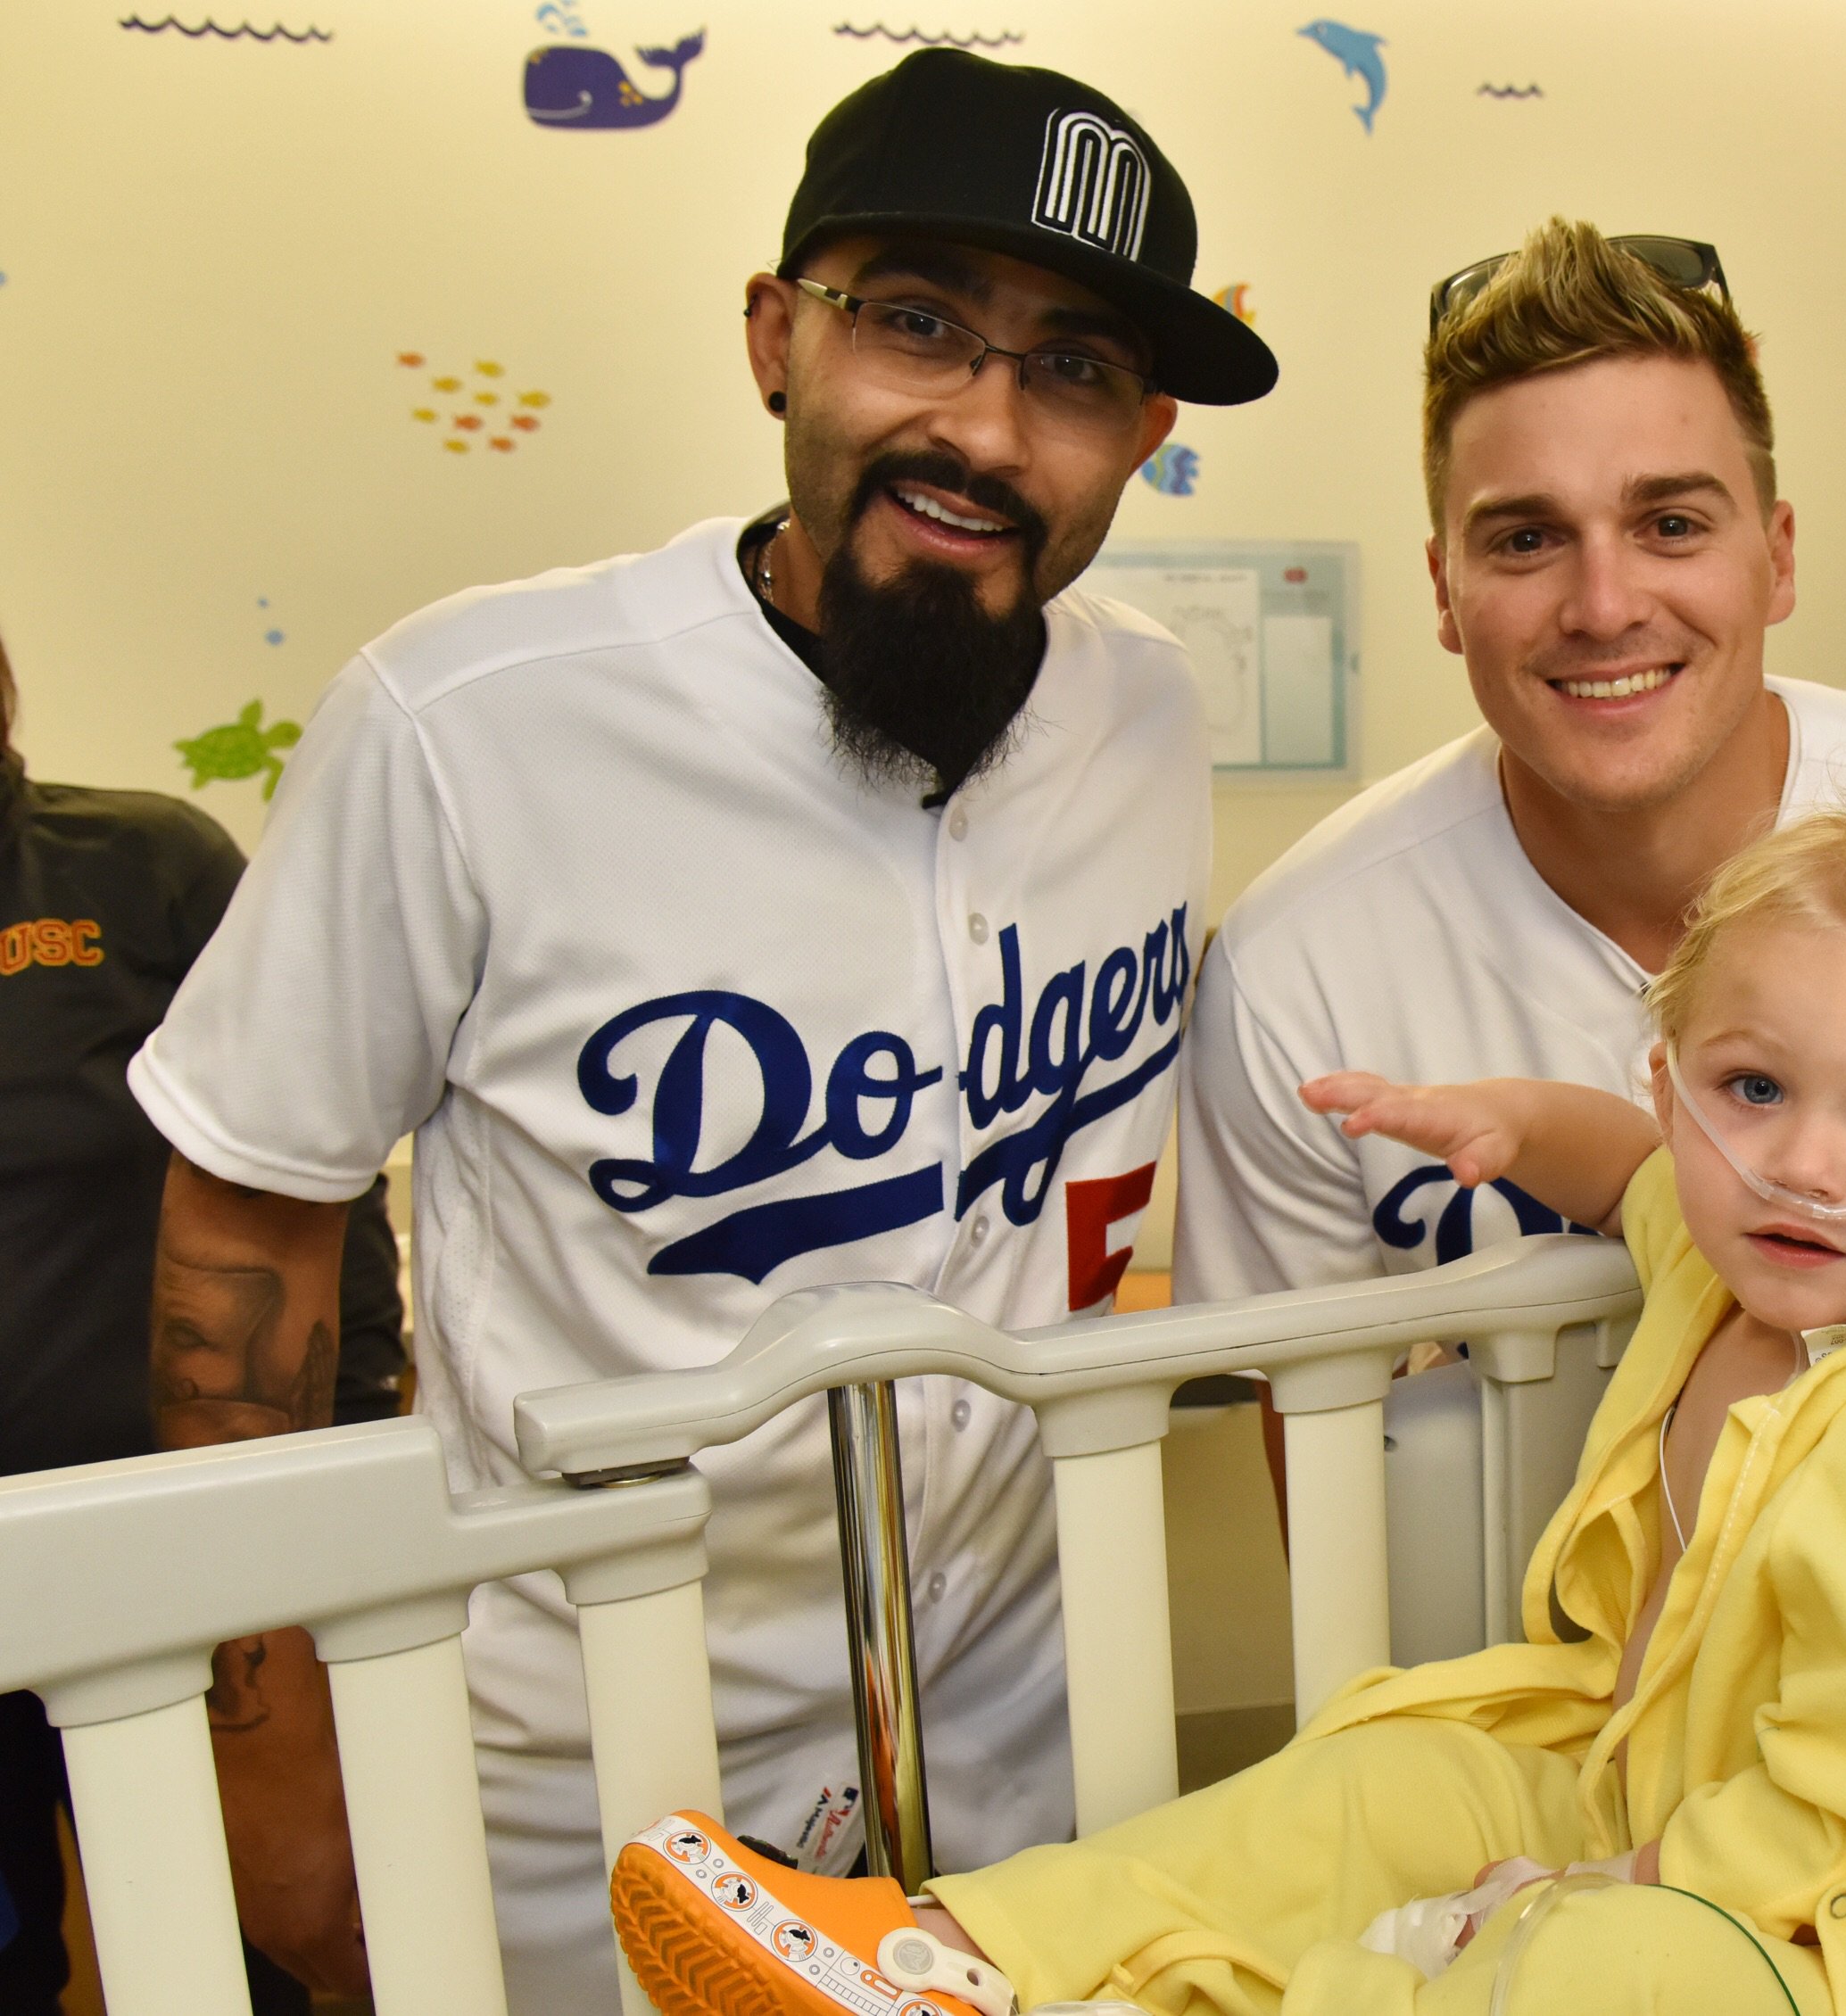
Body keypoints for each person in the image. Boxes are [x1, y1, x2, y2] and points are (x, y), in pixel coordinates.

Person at [123, 48, 1275, 2008]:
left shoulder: (1147, 710)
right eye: (914, 322)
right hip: (568, 1772)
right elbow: (247, 1223)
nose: (983, 428)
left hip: (1017, 1747)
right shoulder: (470, 720)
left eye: (1070, 369)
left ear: (1144, 431)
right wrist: (281, 1769)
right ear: (774, 336)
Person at [606, 785, 1846, 2016]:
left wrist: (1590, 1889)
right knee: (1377, 1781)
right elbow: (1637, 1175)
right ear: (1674, 1080)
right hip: (1635, 1772)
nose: (1801, 1160)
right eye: (1752, 1087)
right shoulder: (1745, 1260)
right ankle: (945, 1949)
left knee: (1594, 1978)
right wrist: (1508, 1123)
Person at [1172, 221, 1846, 1469]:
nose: (1603, 608)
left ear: (1778, 557)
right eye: (1525, 539)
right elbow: (1315, 1468)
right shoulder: (1296, 971)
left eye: (1671, 526)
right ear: (1444, 589)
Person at [0, 630, 405, 2015]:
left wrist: (338, 1460)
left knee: (262, 1932)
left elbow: (303, 1179)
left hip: (173, 1563)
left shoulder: (142, 868)